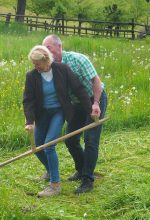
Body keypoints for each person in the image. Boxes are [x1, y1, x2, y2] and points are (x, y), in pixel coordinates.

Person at [23, 45, 92, 197]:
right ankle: (51, 170)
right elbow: (28, 100)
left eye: (38, 64)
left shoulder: (62, 69)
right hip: (43, 114)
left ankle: (55, 185)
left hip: (59, 112)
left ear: (46, 60)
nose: (35, 67)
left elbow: (79, 89)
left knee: (49, 145)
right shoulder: (32, 76)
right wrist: (29, 121)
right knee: (38, 146)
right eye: (33, 64)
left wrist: (90, 109)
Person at [42, 34, 108, 194]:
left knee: (91, 139)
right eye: (44, 49)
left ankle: (87, 179)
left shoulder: (78, 60)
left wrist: (96, 104)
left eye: (49, 48)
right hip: (76, 103)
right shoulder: (49, 68)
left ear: (60, 47)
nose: (46, 52)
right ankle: (81, 169)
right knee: (70, 138)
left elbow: (96, 82)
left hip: (94, 99)